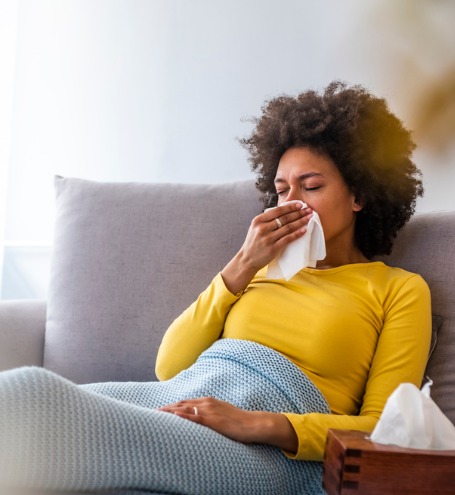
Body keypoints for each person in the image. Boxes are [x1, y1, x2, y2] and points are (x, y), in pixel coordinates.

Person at [156, 81, 432, 462]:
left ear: (360, 195)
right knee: (43, 396)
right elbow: (169, 369)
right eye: (283, 190)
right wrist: (244, 262)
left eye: (312, 185)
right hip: (180, 409)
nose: (293, 203)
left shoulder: (398, 289)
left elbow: (384, 428)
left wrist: (255, 424)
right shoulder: (255, 268)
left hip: (262, 451)